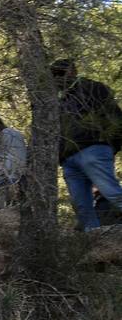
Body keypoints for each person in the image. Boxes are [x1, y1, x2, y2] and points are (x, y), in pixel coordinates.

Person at [51, 58, 122, 230]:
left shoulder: (92, 88)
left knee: (112, 193)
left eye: (60, 73)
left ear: (72, 71)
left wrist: (109, 147)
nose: (57, 79)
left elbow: (116, 118)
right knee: (81, 207)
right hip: (69, 160)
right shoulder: (57, 103)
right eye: (53, 75)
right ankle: (95, 244)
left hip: (93, 149)